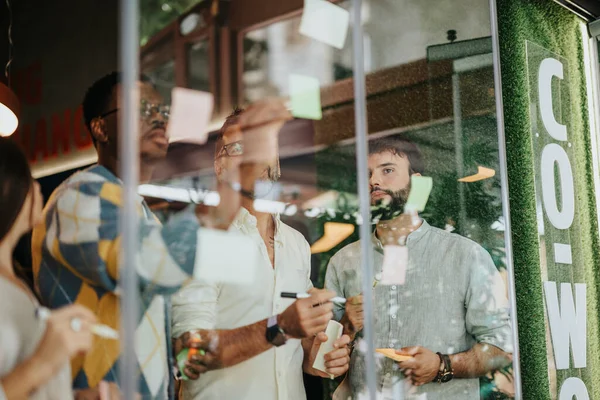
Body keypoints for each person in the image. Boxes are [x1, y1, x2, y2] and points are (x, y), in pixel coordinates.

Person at [31, 72, 245, 400]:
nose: (158, 118)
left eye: (161, 111)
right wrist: (232, 185)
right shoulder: (81, 193)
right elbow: (149, 264)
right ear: (100, 128)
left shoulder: (139, 211)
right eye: (141, 109)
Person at [171, 108, 352, 400]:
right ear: (219, 166)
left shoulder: (296, 244)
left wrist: (318, 355)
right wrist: (278, 327)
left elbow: (296, 348)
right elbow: (188, 354)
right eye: (240, 147)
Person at [325, 137, 513, 399]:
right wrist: (346, 325)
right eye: (367, 174)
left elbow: (502, 349)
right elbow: (326, 356)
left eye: (387, 170)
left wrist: (442, 365)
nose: (374, 181)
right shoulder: (343, 262)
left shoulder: (465, 255)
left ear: (417, 182)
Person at [0, 137, 97, 399]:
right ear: (9, 189)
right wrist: (41, 365)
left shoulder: (20, 284)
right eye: (29, 179)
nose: (37, 187)